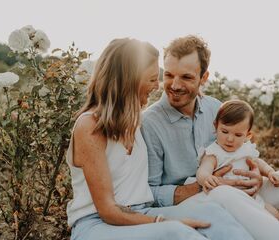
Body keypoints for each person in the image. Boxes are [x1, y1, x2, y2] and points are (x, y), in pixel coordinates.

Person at [141, 35, 279, 240]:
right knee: (224, 194)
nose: (175, 85)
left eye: (186, 77)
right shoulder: (150, 123)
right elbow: (148, 193)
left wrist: (257, 176)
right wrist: (203, 185)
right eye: (168, 75)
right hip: (196, 202)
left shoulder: (215, 107)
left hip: (239, 190)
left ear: (204, 78)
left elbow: (243, 150)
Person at [66, 38, 254, 240]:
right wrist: (163, 222)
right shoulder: (89, 126)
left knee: (213, 214)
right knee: (177, 232)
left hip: (141, 212)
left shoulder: (135, 121)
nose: (158, 86)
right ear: (130, 79)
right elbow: (108, 211)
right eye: (153, 78)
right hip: (96, 224)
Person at [194, 99, 279, 219]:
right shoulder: (214, 153)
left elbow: (258, 163)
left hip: (248, 197)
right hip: (226, 201)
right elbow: (203, 170)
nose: (230, 139)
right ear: (216, 126)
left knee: (274, 214)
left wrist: (270, 172)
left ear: (248, 135)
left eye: (238, 135)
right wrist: (206, 178)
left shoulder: (246, 150)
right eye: (224, 131)